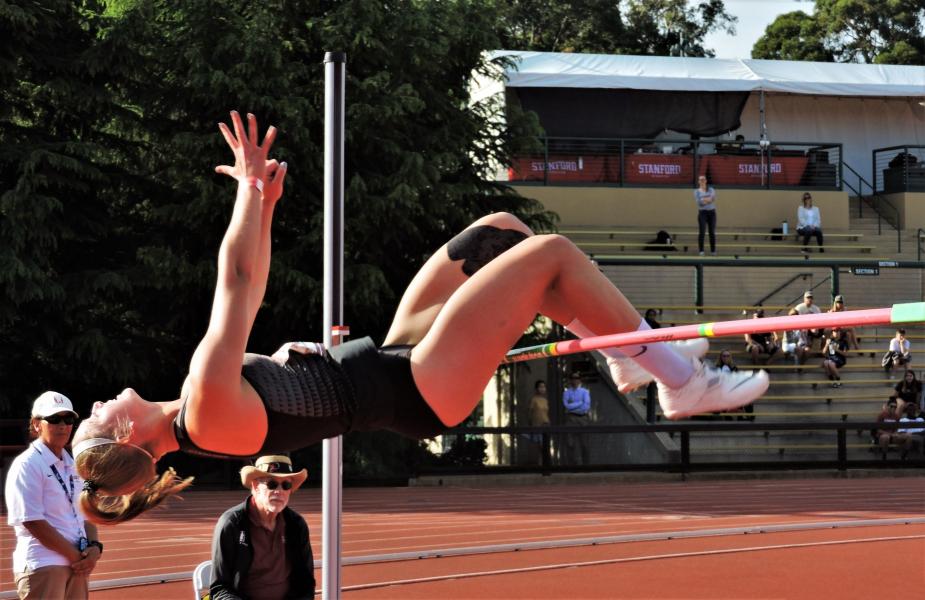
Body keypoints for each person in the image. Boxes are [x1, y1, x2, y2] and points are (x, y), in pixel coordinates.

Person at [71, 112, 768, 524]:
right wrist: (249, 194)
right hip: (416, 390)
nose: (99, 401)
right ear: (127, 431)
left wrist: (267, 206)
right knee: (551, 256)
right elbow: (238, 285)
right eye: (99, 414)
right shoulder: (204, 413)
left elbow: (247, 284)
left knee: (500, 232)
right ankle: (679, 380)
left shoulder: (202, 412)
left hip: (393, 359)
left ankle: (621, 352)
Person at [5, 392, 102, 600]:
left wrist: (95, 548)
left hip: (77, 566)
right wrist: (76, 557)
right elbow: (32, 521)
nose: (63, 425)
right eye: (54, 419)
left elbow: (86, 514)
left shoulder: (75, 465)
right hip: (44, 564)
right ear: (36, 424)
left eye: (68, 419)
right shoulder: (27, 464)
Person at [210, 455, 314, 599]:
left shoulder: (296, 525)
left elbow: (306, 583)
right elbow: (220, 588)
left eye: (286, 485)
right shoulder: (231, 524)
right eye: (272, 484)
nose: (279, 491)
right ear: (255, 486)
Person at [562, 372, 591, 465]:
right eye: (572, 378)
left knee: (584, 444)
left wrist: (573, 405)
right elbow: (566, 406)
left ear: (580, 380)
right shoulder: (566, 393)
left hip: (583, 418)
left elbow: (586, 406)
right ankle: (572, 466)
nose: (574, 380)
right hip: (571, 418)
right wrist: (579, 403)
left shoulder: (585, 392)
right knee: (570, 444)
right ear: (570, 380)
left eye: (576, 378)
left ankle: (586, 466)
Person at [527, 380, 550, 463]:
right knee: (540, 446)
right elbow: (529, 412)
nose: (542, 389)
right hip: (537, 425)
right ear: (536, 389)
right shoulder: (533, 400)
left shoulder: (545, 400)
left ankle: (544, 464)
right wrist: (531, 424)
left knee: (545, 446)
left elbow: (546, 412)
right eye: (540, 387)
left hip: (546, 424)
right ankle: (541, 465)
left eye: (544, 387)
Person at [694, 175, 717, 256]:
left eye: (703, 179)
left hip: (712, 213)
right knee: (702, 232)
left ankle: (713, 251)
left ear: (706, 181)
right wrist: (707, 200)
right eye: (700, 180)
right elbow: (699, 203)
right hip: (702, 213)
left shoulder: (711, 189)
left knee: (712, 232)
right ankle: (701, 251)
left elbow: (712, 199)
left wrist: (704, 199)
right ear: (698, 182)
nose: (702, 181)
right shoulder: (696, 191)